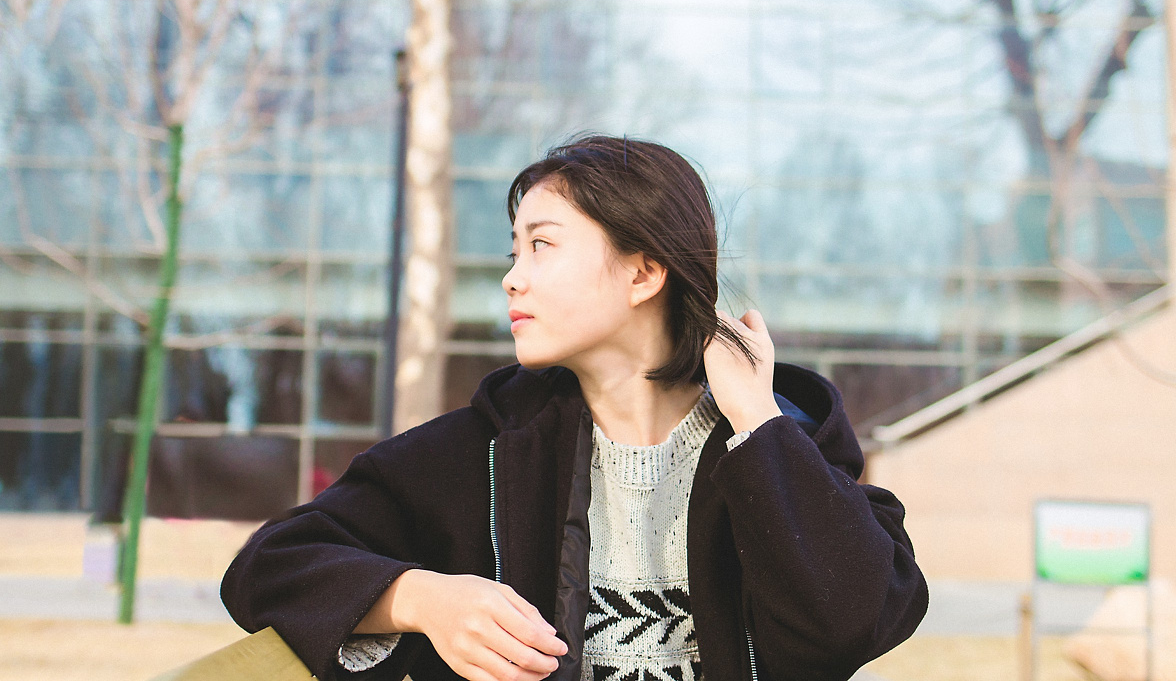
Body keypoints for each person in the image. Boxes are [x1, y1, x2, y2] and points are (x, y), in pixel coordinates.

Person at [221, 134, 929, 681]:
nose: (511, 278)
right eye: (515, 251)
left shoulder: (786, 443)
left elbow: (852, 622)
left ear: (644, 272)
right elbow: (268, 567)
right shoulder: (480, 453)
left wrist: (757, 422)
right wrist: (421, 600)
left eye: (542, 246)